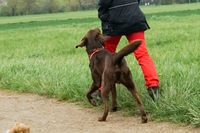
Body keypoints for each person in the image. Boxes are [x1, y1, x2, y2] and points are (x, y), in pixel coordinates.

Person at [97, 0, 160, 100]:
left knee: (106, 58)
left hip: (114, 23)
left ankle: (101, 91)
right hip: (134, 19)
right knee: (143, 55)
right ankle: (153, 88)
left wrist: (103, 17)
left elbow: (104, 4)